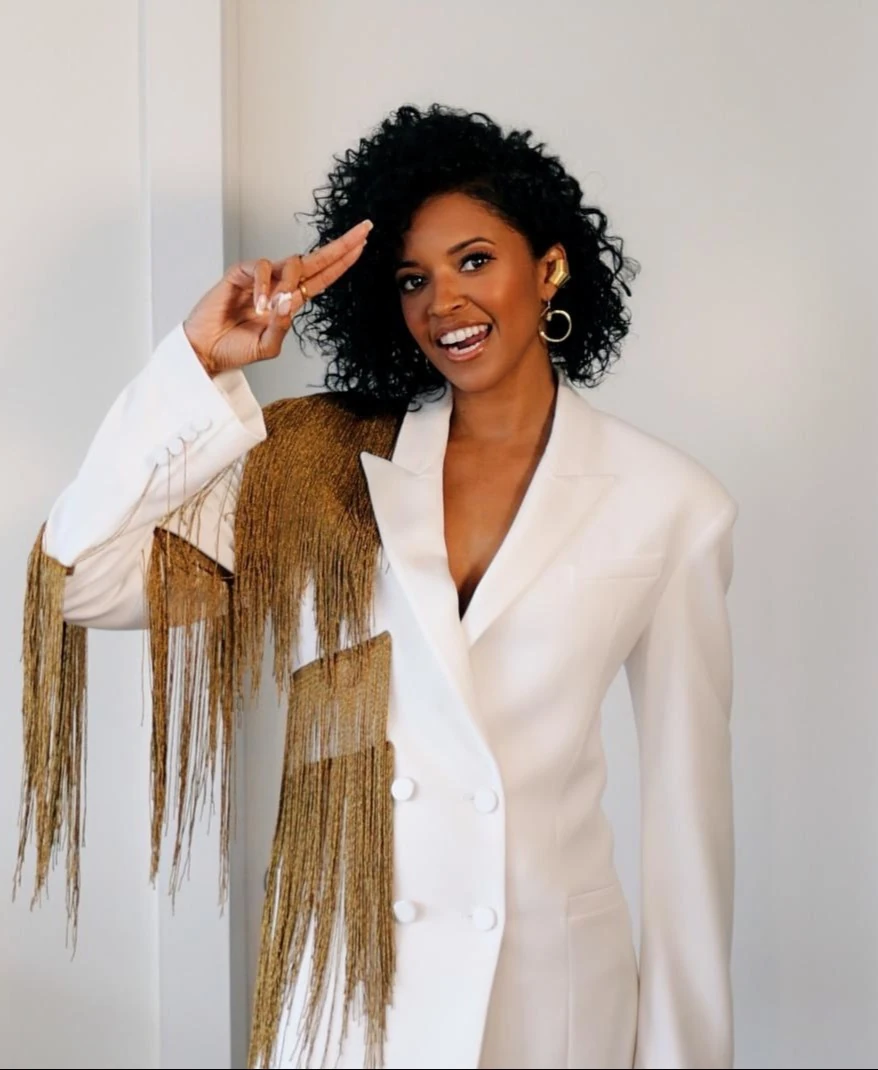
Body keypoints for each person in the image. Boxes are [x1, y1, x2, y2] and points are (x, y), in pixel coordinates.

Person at [18, 104, 738, 1069]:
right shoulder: (321, 465)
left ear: (550, 268)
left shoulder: (672, 502)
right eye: (413, 279)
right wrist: (196, 365)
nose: (444, 302)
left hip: (549, 1006)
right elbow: (81, 583)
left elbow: (688, 835)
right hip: (348, 991)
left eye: (474, 260)